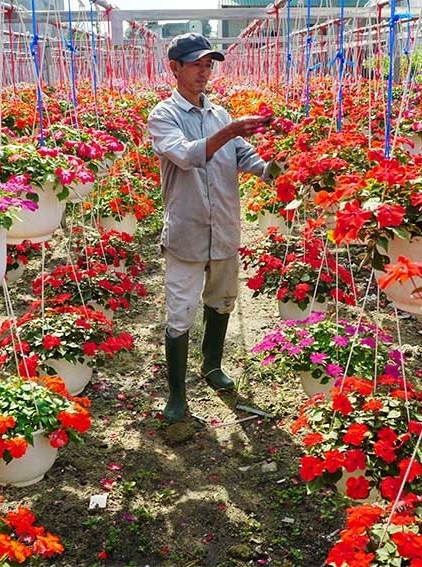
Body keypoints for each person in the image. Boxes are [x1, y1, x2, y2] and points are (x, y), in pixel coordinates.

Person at [147, 33, 271, 423]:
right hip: (187, 233)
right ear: (175, 68)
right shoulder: (163, 116)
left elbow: (247, 158)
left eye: (208, 64)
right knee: (180, 312)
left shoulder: (219, 114)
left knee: (222, 300)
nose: (204, 71)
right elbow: (185, 155)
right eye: (196, 63)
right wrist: (231, 131)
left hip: (225, 231)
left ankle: (212, 366)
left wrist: (279, 168)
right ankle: (177, 394)